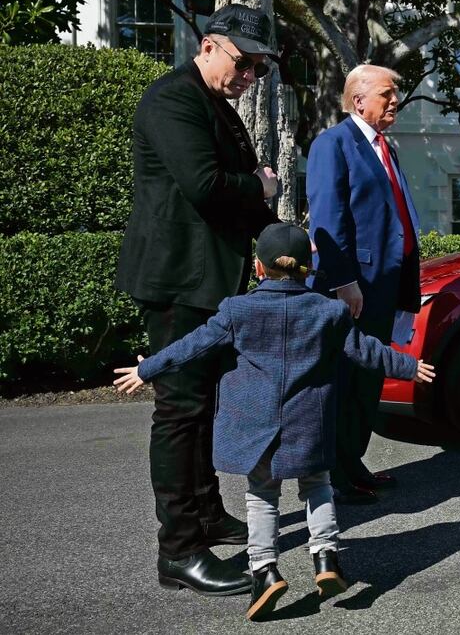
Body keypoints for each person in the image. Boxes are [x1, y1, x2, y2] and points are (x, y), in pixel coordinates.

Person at [113, 223, 436, 621]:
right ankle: (326, 560)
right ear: (309, 268)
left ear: (258, 268)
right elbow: (366, 350)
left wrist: (149, 370)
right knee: (317, 488)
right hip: (309, 423)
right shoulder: (328, 311)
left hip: (257, 427)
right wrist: (409, 366)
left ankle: (265, 572)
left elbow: (192, 345)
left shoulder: (237, 310)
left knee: (262, 497)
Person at [114, 3, 281, 595]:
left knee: (205, 405)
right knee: (181, 411)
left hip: (209, 281)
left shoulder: (214, 104)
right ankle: (180, 550)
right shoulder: (173, 99)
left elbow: (244, 200)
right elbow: (206, 187)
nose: (250, 78)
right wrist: (260, 183)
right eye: (245, 63)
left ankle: (207, 513)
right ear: (209, 45)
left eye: (260, 69)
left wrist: (285, 242)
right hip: (179, 283)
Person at [305, 64, 422, 506]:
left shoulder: (383, 147)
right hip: (355, 287)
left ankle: (353, 462)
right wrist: (344, 281)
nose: (395, 101)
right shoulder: (332, 144)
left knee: (368, 378)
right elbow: (327, 220)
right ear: (359, 100)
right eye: (387, 94)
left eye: (396, 94)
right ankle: (336, 474)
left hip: (386, 284)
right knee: (346, 380)